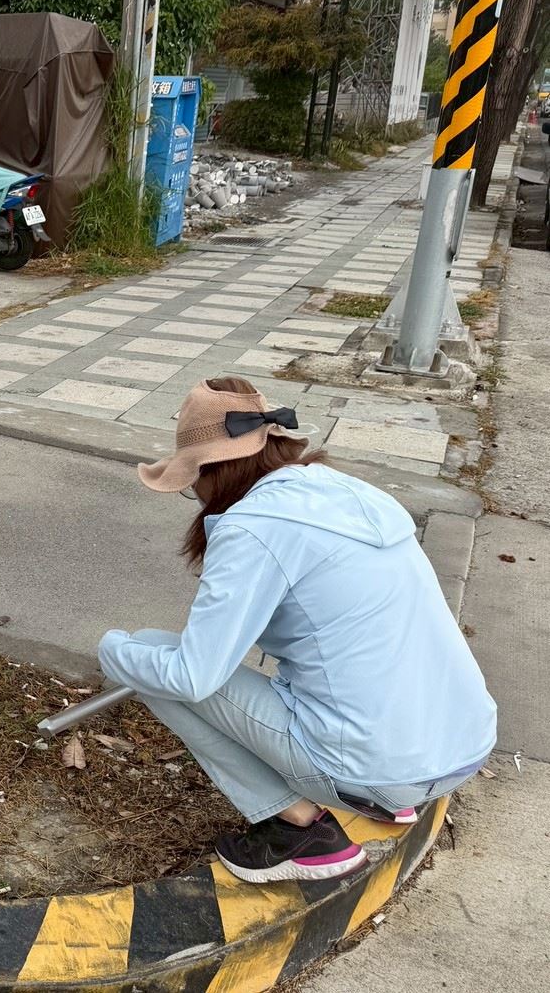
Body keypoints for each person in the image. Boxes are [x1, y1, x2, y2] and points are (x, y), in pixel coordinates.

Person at [97, 377, 496, 884]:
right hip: (461, 741)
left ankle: (301, 831)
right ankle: (385, 798)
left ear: (212, 471)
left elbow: (192, 677)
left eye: (192, 478)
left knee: (150, 654)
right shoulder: (348, 492)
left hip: (379, 768)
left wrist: (111, 649)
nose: (193, 493)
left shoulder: (251, 528)